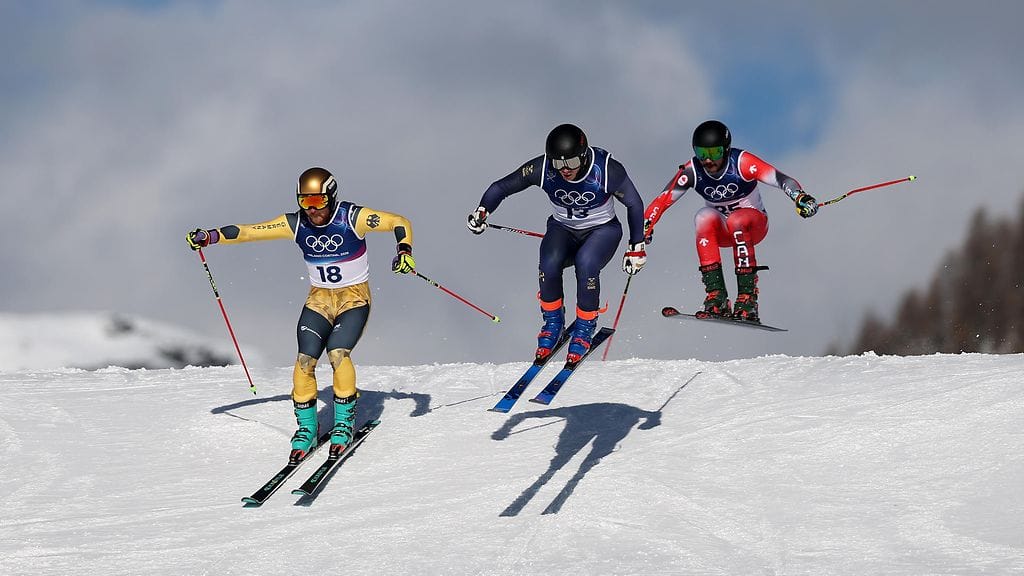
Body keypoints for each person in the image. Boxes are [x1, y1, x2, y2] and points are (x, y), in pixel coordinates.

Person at [186, 167, 415, 463]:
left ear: (331, 197)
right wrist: (211, 236)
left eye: (318, 201)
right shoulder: (295, 224)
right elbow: (249, 232)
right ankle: (307, 428)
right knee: (304, 360)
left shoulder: (352, 218)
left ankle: (344, 423)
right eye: (305, 202)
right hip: (319, 299)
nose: (312, 209)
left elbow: (399, 221)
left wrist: (404, 249)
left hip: (354, 298)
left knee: (337, 353)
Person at [466, 123, 647, 363]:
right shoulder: (543, 168)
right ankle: (553, 324)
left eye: (570, 163)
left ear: (582, 156)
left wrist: (637, 246)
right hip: (563, 228)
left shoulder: (606, 170)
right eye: (558, 163)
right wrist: (482, 211)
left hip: (603, 231)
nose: (564, 170)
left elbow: (634, 204)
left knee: (586, 264)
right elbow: (501, 186)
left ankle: (584, 329)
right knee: (548, 264)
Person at [643, 120, 817, 323]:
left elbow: (780, 179)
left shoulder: (742, 162)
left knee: (736, 219)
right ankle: (716, 296)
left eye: (714, 153)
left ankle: (748, 297)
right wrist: (646, 225)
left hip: (754, 225)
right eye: (702, 154)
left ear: (725, 150)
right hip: (724, 232)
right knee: (703, 217)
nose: (708, 161)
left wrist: (799, 197)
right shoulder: (692, 170)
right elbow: (663, 199)